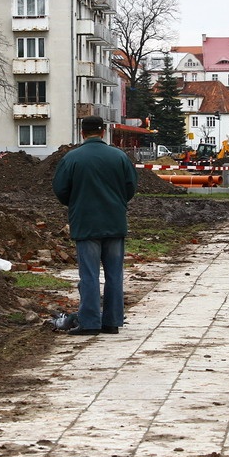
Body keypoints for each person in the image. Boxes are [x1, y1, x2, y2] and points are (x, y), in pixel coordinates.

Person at [52, 116, 138, 335]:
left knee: (89, 274)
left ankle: (90, 323)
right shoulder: (119, 157)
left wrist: (76, 202)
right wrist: (117, 203)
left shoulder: (72, 158)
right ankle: (112, 322)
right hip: (115, 222)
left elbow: (61, 190)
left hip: (86, 222)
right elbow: (130, 187)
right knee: (114, 274)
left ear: (82, 133)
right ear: (103, 133)